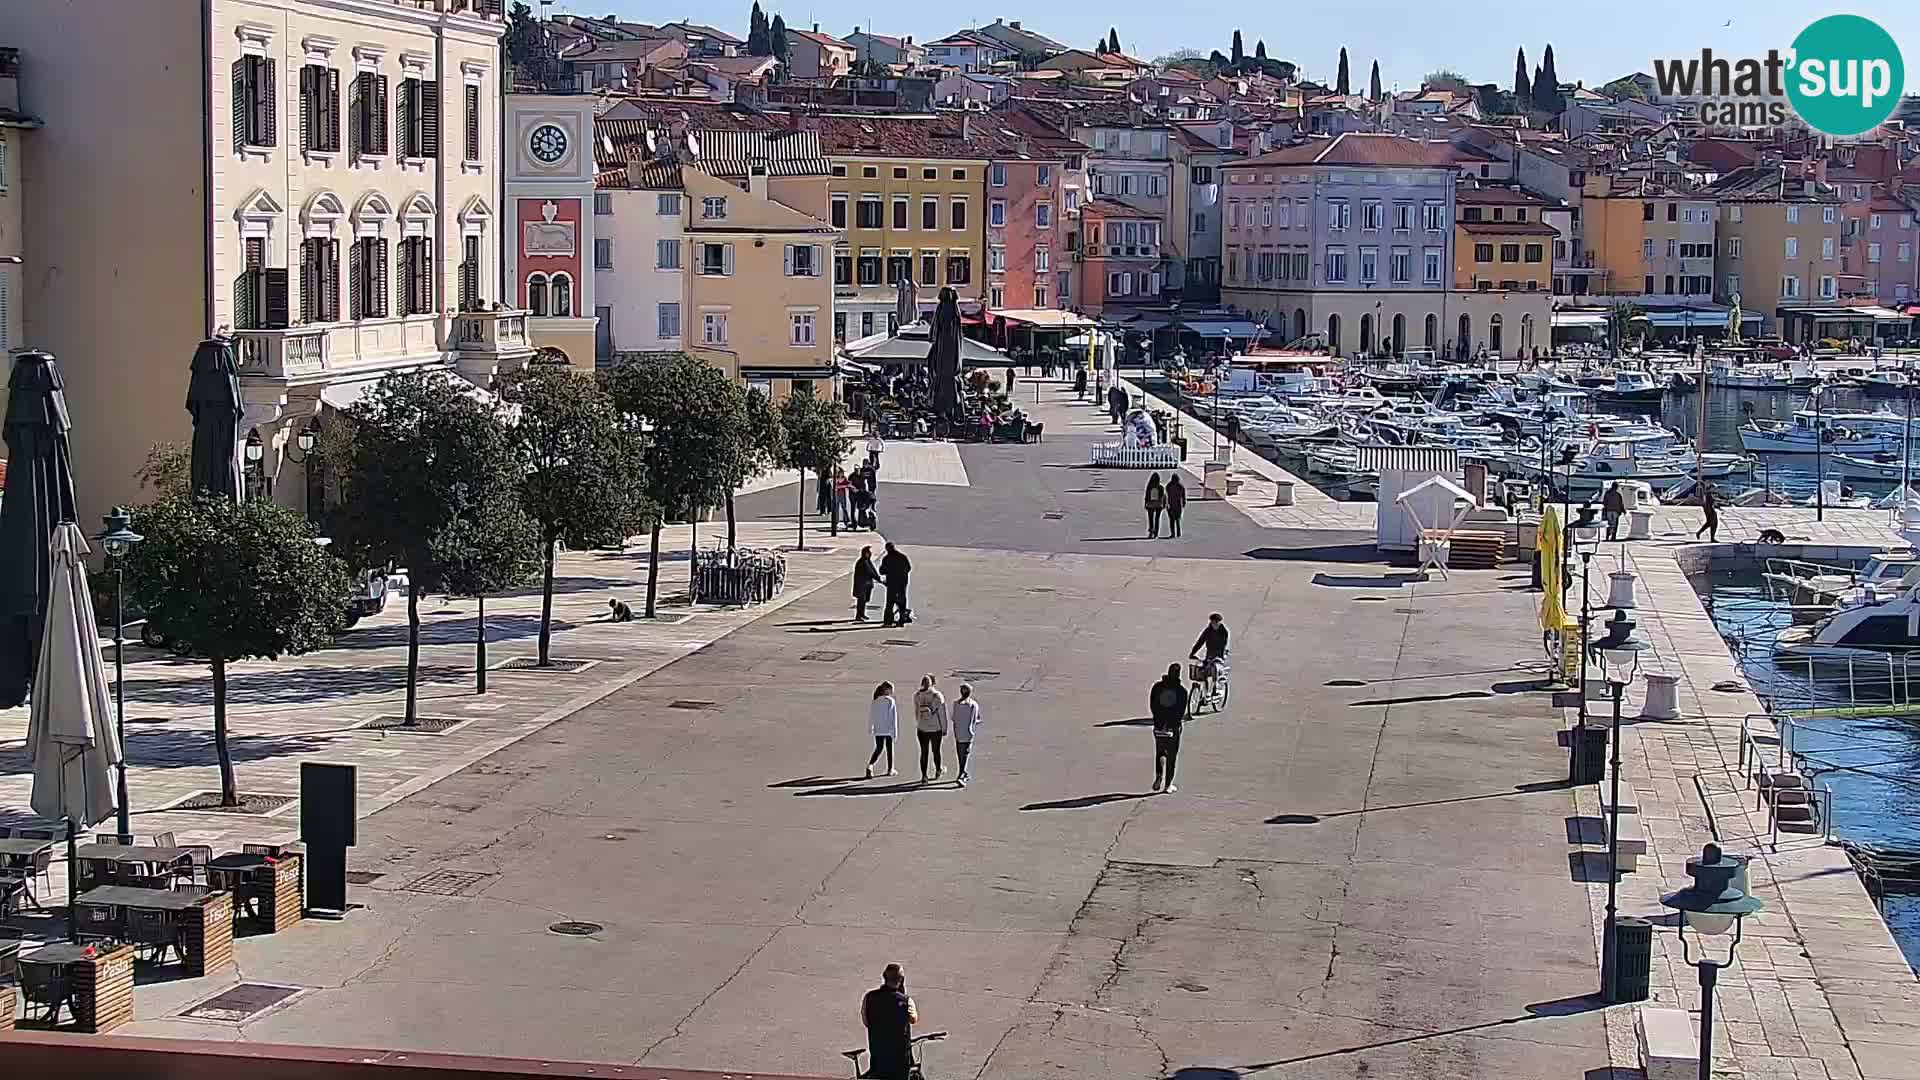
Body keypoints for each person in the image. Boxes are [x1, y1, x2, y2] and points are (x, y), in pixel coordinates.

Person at [860, 963, 919, 1080]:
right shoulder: (906, 1001)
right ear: (901, 980)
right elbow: (913, 1019)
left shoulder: (869, 997)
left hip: (879, 1057)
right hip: (900, 1061)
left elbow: (866, 1022)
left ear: (883, 977)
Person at [1150, 663, 1189, 794]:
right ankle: (1168, 785)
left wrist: (1158, 719)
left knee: (1160, 752)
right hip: (1173, 727)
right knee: (1172, 756)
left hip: (1159, 725)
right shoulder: (1182, 691)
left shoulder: (1157, 687)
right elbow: (1181, 712)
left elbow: (1153, 705)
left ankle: (1159, 776)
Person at [914, 674, 948, 783]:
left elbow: (916, 712)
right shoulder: (937, 696)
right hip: (935, 729)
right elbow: (942, 714)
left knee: (924, 752)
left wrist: (920, 723)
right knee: (936, 751)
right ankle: (938, 770)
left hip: (922, 728)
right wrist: (944, 728)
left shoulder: (917, 695)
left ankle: (924, 776)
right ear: (933, 683)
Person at [950, 683, 982, 785]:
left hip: (958, 732)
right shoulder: (973, 704)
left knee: (960, 753)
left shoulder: (956, 704)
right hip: (968, 733)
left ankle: (963, 771)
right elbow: (975, 718)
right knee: (965, 753)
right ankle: (961, 774)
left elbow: (953, 718)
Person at [867, 682, 898, 778]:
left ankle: (870, 765)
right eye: (891, 689)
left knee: (879, 748)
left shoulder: (875, 700)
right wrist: (895, 731)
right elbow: (893, 717)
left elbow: (871, 715)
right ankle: (890, 769)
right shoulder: (890, 701)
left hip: (878, 729)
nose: (892, 691)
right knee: (890, 749)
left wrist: (870, 728)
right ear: (887, 690)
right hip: (888, 729)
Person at [880, 542, 913, 626]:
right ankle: (901, 621)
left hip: (891, 583)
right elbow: (908, 568)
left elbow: (882, 571)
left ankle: (888, 621)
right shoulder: (902, 557)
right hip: (902, 583)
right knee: (902, 602)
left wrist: (889, 571)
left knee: (890, 602)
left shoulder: (886, 558)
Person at [853, 547, 881, 622]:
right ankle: (859, 616)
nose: (870, 554)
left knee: (864, 600)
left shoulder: (867, 561)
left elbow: (873, 571)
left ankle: (862, 614)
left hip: (867, 584)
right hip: (862, 585)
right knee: (861, 601)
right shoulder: (862, 562)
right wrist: (878, 579)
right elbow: (870, 572)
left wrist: (878, 578)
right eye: (868, 552)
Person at [1144, 473, 1167, 538]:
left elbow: (1147, 496)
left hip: (1150, 504)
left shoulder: (1149, 486)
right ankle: (1156, 533)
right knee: (1157, 519)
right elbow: (1163, 496)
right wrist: (1164, 504)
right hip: (1158, 504)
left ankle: (1151, 531)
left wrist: (1146, 503)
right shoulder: (1160, 487)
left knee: (1151, 519)